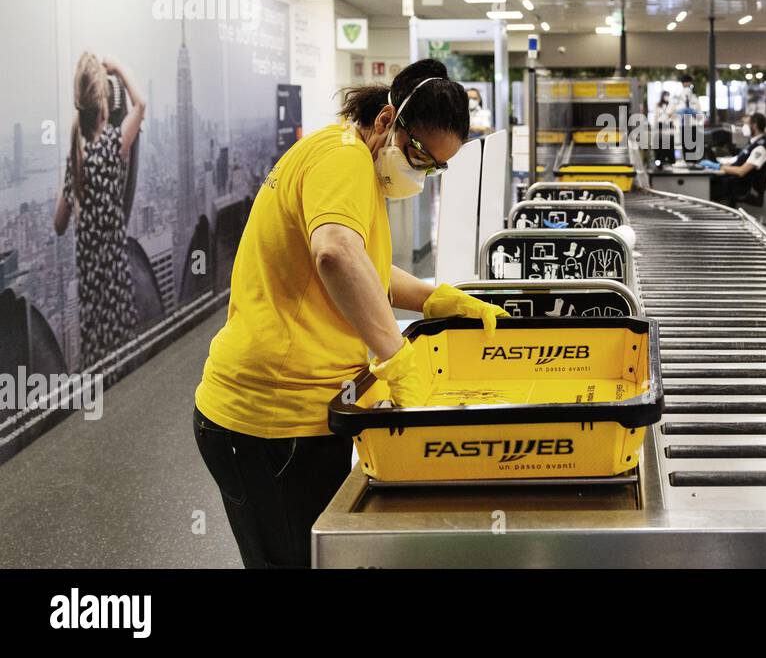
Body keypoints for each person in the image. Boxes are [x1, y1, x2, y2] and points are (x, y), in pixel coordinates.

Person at [192, 58, 509, 568]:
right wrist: (395, 355)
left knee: (316, 556)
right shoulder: (343, 162)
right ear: (387, 121)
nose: (422, 171)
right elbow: (335, 253)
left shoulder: (350, 159)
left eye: (436, 166)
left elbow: (363, 266)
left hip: (310, 409)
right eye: (419, 154)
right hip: (267, 420)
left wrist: (434, 297)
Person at [54, 53, 145, 369]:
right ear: (105, 107)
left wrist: (68, 180)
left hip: (91, 290)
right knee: (124, 358)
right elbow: (141, 105)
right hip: (116, 280)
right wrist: (119, 67)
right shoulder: (115, 145)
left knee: (97, 360)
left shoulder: (76, 159)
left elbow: (58, 224)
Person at [710, 112, 766, 207]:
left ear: (754, 125)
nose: (744, 127)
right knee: (711, 182)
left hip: (743, 188)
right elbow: (736, 161)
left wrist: (718, 166)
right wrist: (717, 165)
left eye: (746, 124)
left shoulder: (761, 147)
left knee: (709, 188)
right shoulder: (752, 144)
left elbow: (741, 171)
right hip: (737, 184)